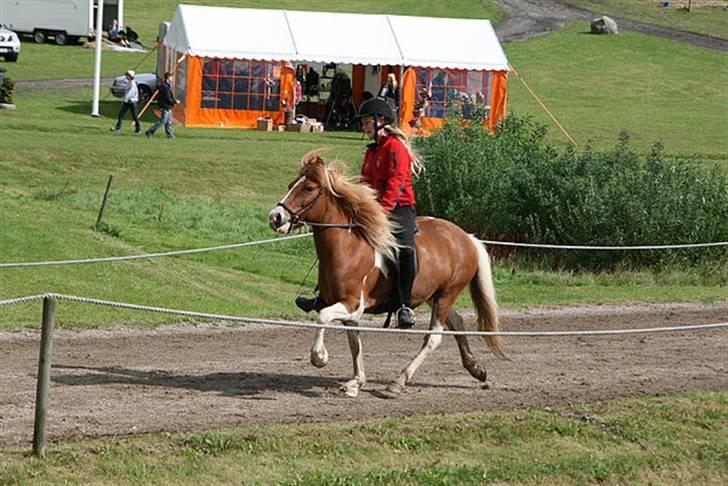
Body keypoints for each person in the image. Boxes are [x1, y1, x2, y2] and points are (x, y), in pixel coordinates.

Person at [296, 98, 424, 328]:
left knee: (404, 248)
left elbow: (397, 183)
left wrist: (382, 211)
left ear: (380, 121)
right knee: (338, 242)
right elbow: (366, 183)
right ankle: (325, 295)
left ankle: (404, 304)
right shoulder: (372, 151)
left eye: (366, 122)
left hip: (398, 208)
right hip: (373, 208)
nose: (364, 127)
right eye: (363, 123)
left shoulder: (395, 147)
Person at [145, 72, 178, 139]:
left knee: (168, 122)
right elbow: (167, 98)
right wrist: (175, 101)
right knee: (162, 122)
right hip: (165, 106)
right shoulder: (165, 87)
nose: (172, 78)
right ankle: (150, 132)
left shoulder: (166, 85)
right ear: (168, 78)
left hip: (168, 106)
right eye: (171, 77)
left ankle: (170, 135)